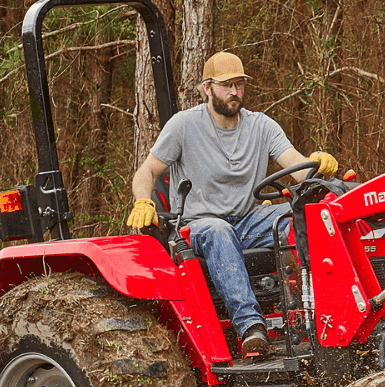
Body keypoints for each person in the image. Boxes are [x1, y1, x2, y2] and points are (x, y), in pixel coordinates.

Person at [126, 51, 338, 355]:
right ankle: (251, 326)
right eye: (226, 85)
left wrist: (317, 165)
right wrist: (143, 201)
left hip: (248, 220)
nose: (235, 92)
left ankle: (318, 311)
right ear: (207, 88)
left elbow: (298, 168)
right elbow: (146, 171)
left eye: (239, 85)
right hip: (198, 226)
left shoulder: (262, 126)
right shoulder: (184, 125)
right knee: (219, 230)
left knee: (303, 215)